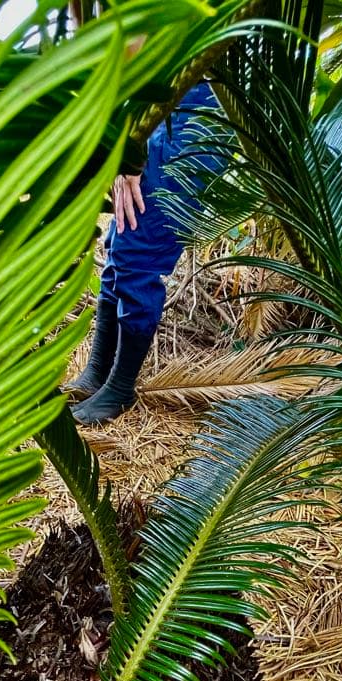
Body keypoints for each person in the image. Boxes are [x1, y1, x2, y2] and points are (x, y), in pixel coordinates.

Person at [69, 81, 219, 425]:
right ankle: (98, 372)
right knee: (120, 246)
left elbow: (134, 50)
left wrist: (128, 158)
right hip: (166, 105)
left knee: (139, 253)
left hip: (195, 109)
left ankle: (120, 388)